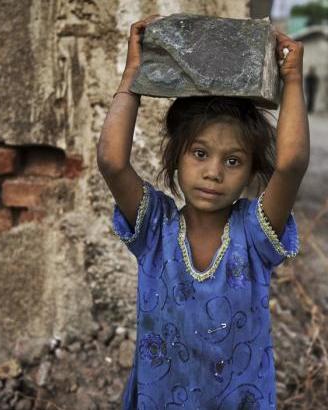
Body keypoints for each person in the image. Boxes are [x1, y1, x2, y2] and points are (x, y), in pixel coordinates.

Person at [97, 16, 309, 409]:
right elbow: (112, 162)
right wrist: (134, 73)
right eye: (200, 153)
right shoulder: (155, 230)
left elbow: (292, 163)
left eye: (233, 161)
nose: (213, 172)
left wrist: (292, 80)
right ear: (176, 157)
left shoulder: (255, 235)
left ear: (250, 172)